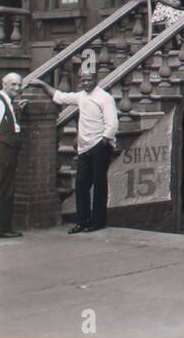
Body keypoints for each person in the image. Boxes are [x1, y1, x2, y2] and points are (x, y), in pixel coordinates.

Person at [30, 66, 119, 233]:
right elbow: (60, 96)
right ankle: (82, 221)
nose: (85, 83)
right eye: (83, 80)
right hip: (84, 148)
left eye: (89, 80)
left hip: (100, 146)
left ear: (96, 79)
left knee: (99, 185)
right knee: (81, 185)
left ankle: (98, 222)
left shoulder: (105, 98)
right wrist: (42, 85)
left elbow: (112, 124)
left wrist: (103, 142)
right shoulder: (81, 96)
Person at [0, 72, 25, 238]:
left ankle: (3, 226)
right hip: (3, 151)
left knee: (7, 188)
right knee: (1, 189)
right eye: (13, 85)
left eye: (19, 85)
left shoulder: (10, 103)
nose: (17, 88)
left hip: (9, 151)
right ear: (4, 85)